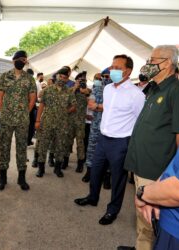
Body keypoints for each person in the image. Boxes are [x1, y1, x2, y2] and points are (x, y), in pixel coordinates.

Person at [121, 45, 179, 250]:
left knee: (150, 222)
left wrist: (175, 176)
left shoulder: (177, 91)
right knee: (142, 218)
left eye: (154, 59)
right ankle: (140, 246)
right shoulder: (154, 87)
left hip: (156, 170)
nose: (149, 63)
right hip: (141, 164)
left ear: (168, 62)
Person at [74, 54, 145, 226]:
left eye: (118, 68)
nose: (113, 70)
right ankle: (92, 197)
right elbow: (109, 109)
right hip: (103, 138)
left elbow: (139, 120)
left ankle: (112, 210)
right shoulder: (108, 89)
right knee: (95, 171)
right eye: (112, 67)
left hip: (121, 142)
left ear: (128, 71)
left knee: (117, 179)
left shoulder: (136, 94)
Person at [0, 50, 37, 191]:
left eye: (24, 59)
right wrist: (4, 112)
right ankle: (3, 178)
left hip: (22, 120)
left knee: (21, 148)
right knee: (4, 147)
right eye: (19, 59)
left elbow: (32, 99)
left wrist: (26, 112)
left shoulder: (29, 79)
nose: (21, 61)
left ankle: (21, 178)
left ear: (26, 62)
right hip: (6, 119)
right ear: (13, 61)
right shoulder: (5, 76)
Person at [35, 70, 76, 178]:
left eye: (64, 78)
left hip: (61, 124)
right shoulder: (48, 89)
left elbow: (73, 106)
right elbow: (41, 105)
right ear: (57, 76)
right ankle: (41, 169)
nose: (62, 79)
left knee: (60, 146)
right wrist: (37, 120)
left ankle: (57, 169)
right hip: (47, 122)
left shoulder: (69, 91)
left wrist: (64, 111)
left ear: (67, 79)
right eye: (60, 76)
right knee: (43, 145)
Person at [63, 71, 90, 172]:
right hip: (70, 121)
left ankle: (80, 163)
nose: (82, 82)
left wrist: (85, 92)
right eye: (80, 80)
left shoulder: (88, 91)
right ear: (76, 81)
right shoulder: (70, 90)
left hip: (80, 122)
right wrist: (75, 87)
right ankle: (65, 161)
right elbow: (65, 99)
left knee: (80, 143)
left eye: (84, 80)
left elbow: (91, 100)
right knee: (67, 142)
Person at [82, 72, 105, 182]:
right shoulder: (96, 90)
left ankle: (106, 177)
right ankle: (89, 172)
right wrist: (104, 107)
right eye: (102, 77)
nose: (103, 79)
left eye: (106, 77)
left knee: (108, 152)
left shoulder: (117, 92)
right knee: (91, 149)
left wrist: (99, 106)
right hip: (95, 125)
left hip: (109, 128)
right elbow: (91, 106)